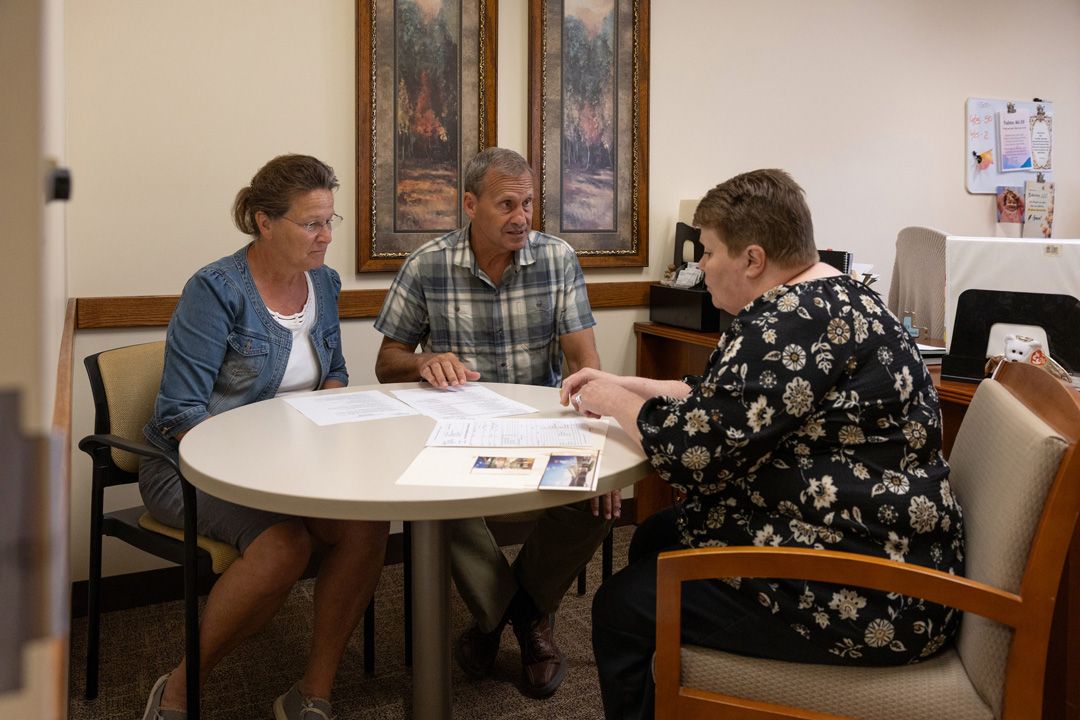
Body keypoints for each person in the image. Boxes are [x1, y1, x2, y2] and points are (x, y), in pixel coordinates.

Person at [560, 169, 965, 719]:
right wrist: (630, 386)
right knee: (658, 534)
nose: (699, 267)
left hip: (871, 590)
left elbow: (692, 454)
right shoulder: (830, 297)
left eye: (706, 252)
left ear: (752, 259)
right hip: (873, 543)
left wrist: (613, 400)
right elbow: (727, 401)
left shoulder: (791, 320)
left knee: (618, 607)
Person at [139, 154, 389, 720]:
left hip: (292, 466)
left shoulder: (323, 282)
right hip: (188, 468)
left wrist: (333, 411)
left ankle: (311, 694)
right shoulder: (215, 290)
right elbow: (180, 415)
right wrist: (272, 464)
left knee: (367, 523)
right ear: (263, 221)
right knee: (285, 546)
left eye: (331, 221)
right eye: (311, 224)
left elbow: (335, 370)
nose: (326, 237)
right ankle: (179, 690)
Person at [373, 147, 617, 699]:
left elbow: (585, 364)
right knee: (429, 502)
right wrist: (422, 361)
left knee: (597, 501)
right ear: (470, 204)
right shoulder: (427, 264)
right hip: (455, 435)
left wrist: (602, 447)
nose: (522, 217)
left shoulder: (557, 260)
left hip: (540, 429)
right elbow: (387, 362)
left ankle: (501, 618)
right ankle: (528, 622)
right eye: (507, 204)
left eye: (528, 203)